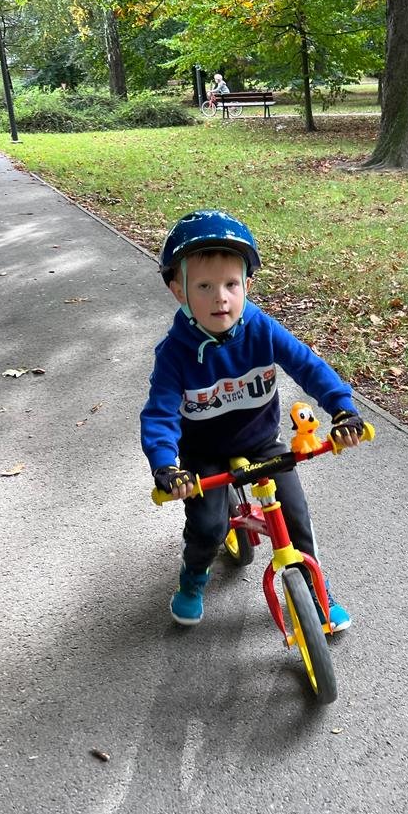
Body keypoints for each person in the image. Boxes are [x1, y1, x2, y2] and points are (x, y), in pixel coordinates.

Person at [141, 209, 366, 629]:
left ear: (246, 285)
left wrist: (341, 409)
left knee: (295, 514)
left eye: (230, 284)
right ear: (179, 291)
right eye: (204, 286)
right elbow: (160, 414)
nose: (220, 298)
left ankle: (316, 588)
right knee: (208, 525)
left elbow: (307, 365)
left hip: (261, 441)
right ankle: (193, 576)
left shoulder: (262, 329)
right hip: (203, 453)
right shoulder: (174, 354)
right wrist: (166, 465)